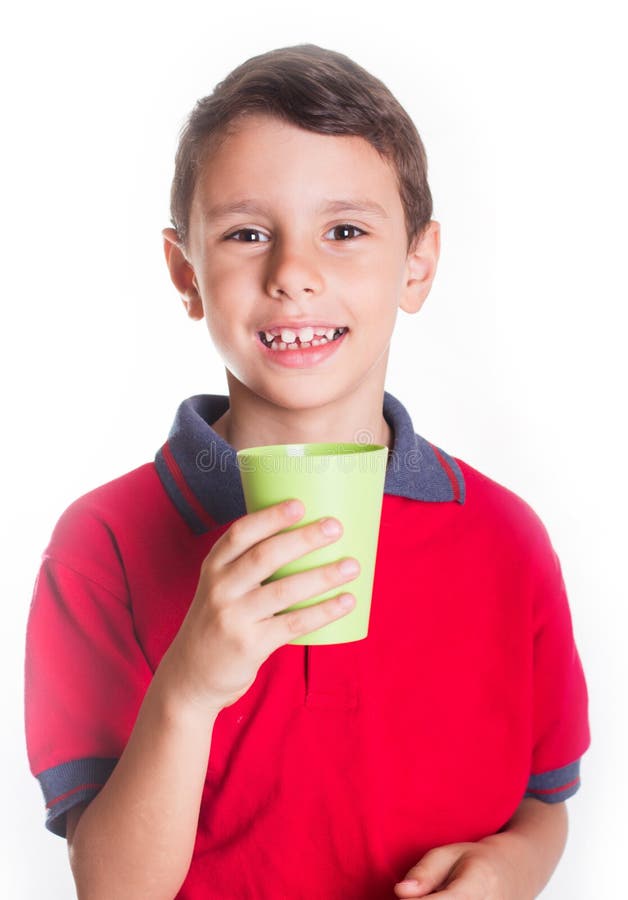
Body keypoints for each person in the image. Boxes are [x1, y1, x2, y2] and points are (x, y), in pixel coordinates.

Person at [25, 43, 590, 899]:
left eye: (346, 231)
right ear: (186, 274)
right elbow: (111, 887)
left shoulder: (505, 537)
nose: (294, 274)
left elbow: (544, 803)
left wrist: (513, 868)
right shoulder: (102, 544)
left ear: (418, 264)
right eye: (248, 233)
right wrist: (189, 689)